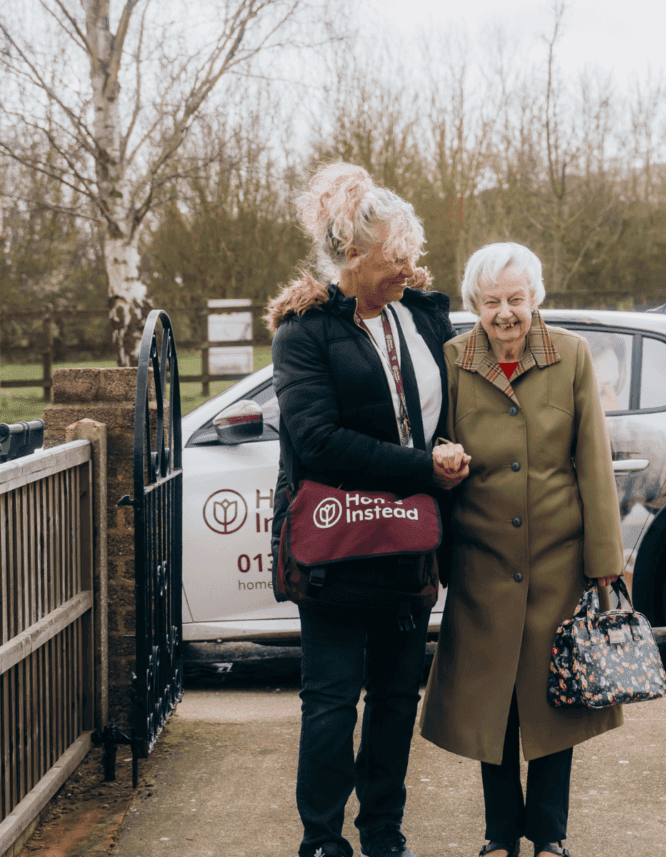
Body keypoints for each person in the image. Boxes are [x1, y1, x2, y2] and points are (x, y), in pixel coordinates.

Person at [265, 162, 469, 857]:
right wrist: (424, 467)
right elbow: (316, 440)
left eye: (411, 255)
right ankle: (322, 839)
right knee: (329, 702)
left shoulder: (420, 317)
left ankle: (383, 831)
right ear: (353, 254)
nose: (407, 269)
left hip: (411, 544)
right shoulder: (305, 331)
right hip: (335, 550)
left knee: (394, 699)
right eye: (393, 257)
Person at [420, 243, 625, 857]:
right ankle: (501, 834)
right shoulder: (453, 359)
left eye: (516, 299)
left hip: (558, 562)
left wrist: (605, 564)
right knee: (494, 705)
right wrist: (443, 464)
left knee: (555, 699)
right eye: (492, 302)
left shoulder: (572, 355)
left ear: (535, 297)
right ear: (474, 306)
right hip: (483, 562)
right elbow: (436, 445)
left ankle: (551, 836)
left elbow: (593, 462)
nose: (505, 314)